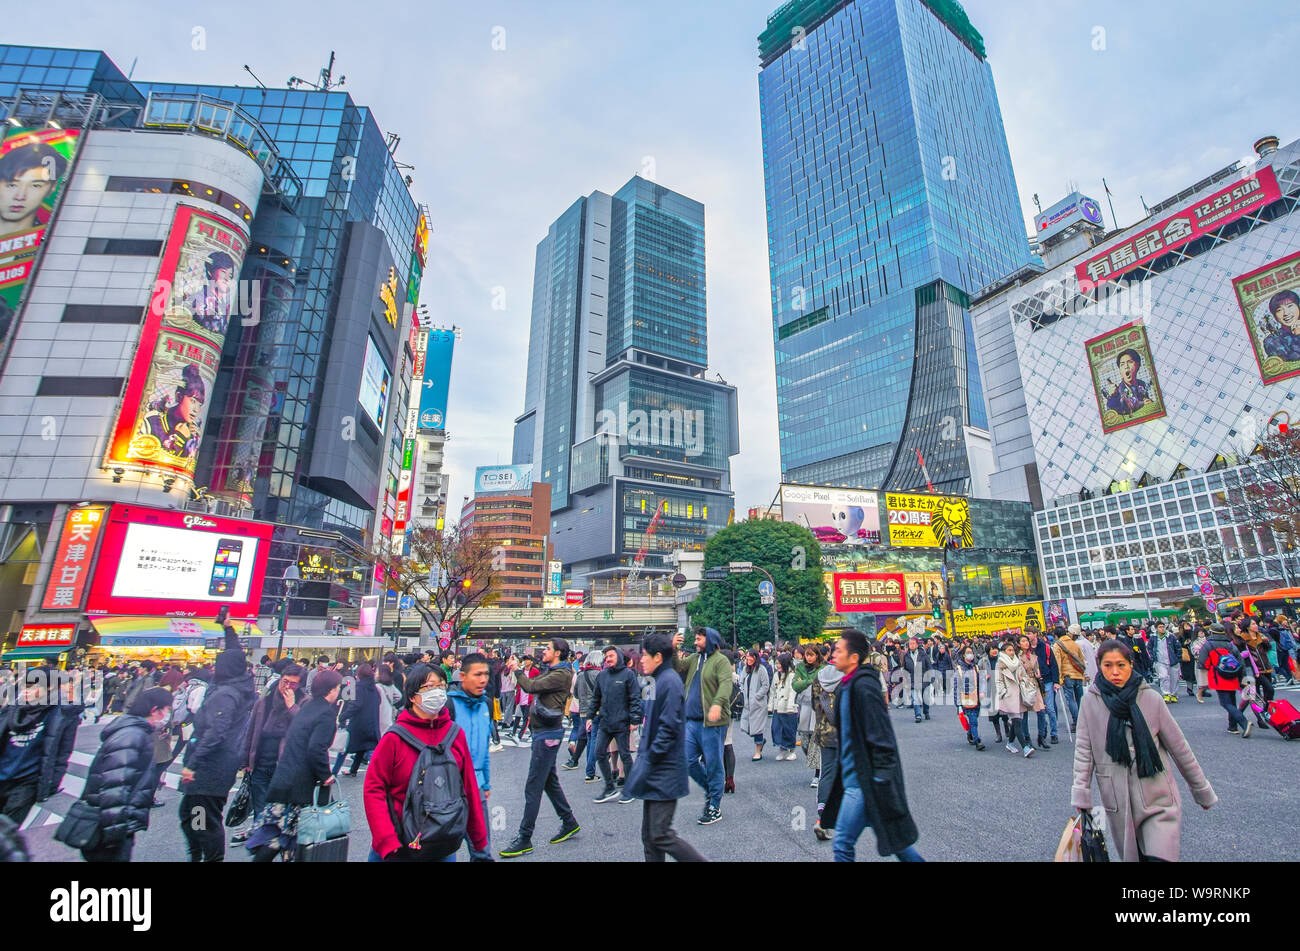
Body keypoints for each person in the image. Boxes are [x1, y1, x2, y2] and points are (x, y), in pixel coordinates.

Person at [1071, 640, 1217, 862]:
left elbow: (1180, 749)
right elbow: (1084, 751)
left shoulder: (1150, 697)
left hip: (1158, 797)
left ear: (1131, 664)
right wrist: (1081, 792)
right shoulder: (1090, 701)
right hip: (1117, 799)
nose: (1115, 672)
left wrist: (1201, 790)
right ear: (1098, 666)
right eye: (1108, 665)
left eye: (1121, 665)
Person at [364, 664, 488, 862]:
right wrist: (386, 839)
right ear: (412, 696)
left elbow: (469, 787)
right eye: (430, 687)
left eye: (441, 686)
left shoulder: (455, 734)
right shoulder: (394, 738)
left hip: (442, 841)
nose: (437, 693)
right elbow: (374, 788)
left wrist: (479, 838)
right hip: (398, 844)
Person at [819, 631, 923, 863]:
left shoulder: (864, 687)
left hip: (865, 780)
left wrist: (882, 777)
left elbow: (882, 735)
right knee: (898, 845)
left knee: (843, 844)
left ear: (853, 657)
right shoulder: (846, 685)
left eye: (839, 650)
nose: (833, 654)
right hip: (856, 777)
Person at [626, 631, 706, 862]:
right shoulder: (658, 679)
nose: (641, 660)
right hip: (656, 768)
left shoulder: (669, 681)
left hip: (665, 769)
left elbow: (669, 728)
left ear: (658, 657)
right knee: (650, 837)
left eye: (645, 655)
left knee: (660, 834)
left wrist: (649, 759)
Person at [245, 670, 341, 862]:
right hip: (300, 784)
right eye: (338, 687)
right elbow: (316, 748)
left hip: (284, 777)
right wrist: (326, 775)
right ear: (331, 690)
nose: (339, 691)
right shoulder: (325, 714)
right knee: (291, 835)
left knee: (277, 834)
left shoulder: (307, 707)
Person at [177, 630, 256, 862]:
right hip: (217, 764)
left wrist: (192, 764)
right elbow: (237, 657)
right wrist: (229, 629)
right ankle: (199, 855)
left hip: (210, 767)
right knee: (191, 815)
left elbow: (215, 733)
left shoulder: (227, 694)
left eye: (217, 664)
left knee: (200, 817)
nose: (213, 668)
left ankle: (209, 858)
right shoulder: (239, 685)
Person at [499, 639, 580, 858]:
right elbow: (533, 682)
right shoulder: (553, 669)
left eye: (547, 649)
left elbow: (531, 686)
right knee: (549, 782)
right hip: (543, 733)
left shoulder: (561, 674)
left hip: (547, 735)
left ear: (558, 653)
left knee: (533, 785)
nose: (544, 651)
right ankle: (569, 822)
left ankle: (525, 838)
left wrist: (517, 671)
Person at [75, 687, 174, 862]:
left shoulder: (135, 730)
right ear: (155, 710)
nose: (168, 715)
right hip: (110, 824)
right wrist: (115, 830)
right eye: (167, 709)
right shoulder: (132, 735)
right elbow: (115, 782)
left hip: (113, 821)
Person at [232, 664, 304, 844]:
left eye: (293, 684)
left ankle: (272, 845)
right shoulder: (265, 700)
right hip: (260, 763)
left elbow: (302, 730)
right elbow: (251, 731)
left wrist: (291, 706)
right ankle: (260, 844)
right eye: (285, 682)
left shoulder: (303, 702)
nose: (287, 687)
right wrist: (246, 760)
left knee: (279, 812)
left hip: (283, 767)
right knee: (260, 810)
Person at [671, 627, 732, 825]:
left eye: (699, 639)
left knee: (713, 763)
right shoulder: (695, 659)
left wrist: (716, 704)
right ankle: (712, 789)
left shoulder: (720, 660)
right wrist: (672, 648)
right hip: (692, 721)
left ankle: (715, 805)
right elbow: (677, 667)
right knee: (687, 760)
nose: (695, 643)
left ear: (710, 639)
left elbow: (725, 684)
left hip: (713, 722)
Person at [449, 653, 493, 860]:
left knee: (482, 850)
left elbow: (484, 750)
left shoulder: (485, 706)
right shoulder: (448, 707)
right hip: (449, 790)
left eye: (486, 674)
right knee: (440, 849)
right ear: (463, 676)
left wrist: (486, 784)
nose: (483, 679)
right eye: (477, 674)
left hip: (476, 789)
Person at [587, 646, 643, 804]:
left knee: (625, 755)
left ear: (618, 656)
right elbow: (596, 697)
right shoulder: (602, 675)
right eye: (606, 656)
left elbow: (635, 698)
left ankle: (629, 789)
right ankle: (609, 787)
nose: (608, 659)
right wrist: (590, 716)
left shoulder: (628, 674)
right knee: (599, 753)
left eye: (611, 655)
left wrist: (634, 720)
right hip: (605, 722)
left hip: (622, 722)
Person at [0, 672, 57, 824]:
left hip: (26, 781)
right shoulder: (12, 708)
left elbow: (61, 753)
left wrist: (49, 785)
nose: (26, 690)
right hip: (3, 773)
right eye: (25, 686)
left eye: (32, 687)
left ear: (49, 688)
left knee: (7, 829)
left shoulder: (57, 713)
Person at [0, 139, 70, 240]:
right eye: (12, 185)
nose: (20, 196)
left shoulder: (51, 240)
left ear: (52, 187)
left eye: (35, 186)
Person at [1197, 623, 1252, 737]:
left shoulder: (1208, 645)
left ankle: (1244, 722)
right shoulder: (1230, 645)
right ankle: (1232, 727)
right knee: (1232, 701)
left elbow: (1203, 663)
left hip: (1218, 677)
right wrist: (1242, 679)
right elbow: (1240, 661)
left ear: (1211, 632)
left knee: (1225, 703)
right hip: (1233, 676)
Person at [334, 663, 381, 777]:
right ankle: (353, 769)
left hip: (358, 723)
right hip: (371, 723)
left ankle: (334, 771)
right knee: (363, 747)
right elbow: (378, 702)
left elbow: (355, 705)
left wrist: (341, 717)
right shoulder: (374, 688)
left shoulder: (359, 687)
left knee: (344, 747)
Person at [996, 640, 1033, 757]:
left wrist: (1023, 679)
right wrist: (1003, 692)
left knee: (1017, 721)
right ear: (1003, 652)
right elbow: (998, 681)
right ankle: (1025, 747)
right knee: (1017, 721)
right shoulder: (1000, 664)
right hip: (1009, 696)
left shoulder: (1017, 662)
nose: (1011, 652)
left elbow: (1024, 675)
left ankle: (1010, 743)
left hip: (1019, 693)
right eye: (1009, 650)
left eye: (1012, 650)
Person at [564, 655, 601, 772]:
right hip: (596, 711)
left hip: (582, 710)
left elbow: (575, 694)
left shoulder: (580, 675)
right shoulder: (599, 675)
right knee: (593, 738)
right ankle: (590, 770)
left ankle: (575, 761)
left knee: (584, 736)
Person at [1019, 634, 1051, 750]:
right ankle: (1026, 738)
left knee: (1041, 711)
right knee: (1024, 714)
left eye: (1027, 641)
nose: (1026, 643)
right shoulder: (1018, 657)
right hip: (1024, 685)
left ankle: (1041, 736)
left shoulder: (1033, 655)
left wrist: (1038, 674)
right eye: (1023, 641)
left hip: (1035, 684)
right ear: (1019, 644)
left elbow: (1037, 668)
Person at [738, 649, 770, 761]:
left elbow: (766, 686)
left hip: (758, 705)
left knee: (757, 729)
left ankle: (758, 752)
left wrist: (756, 696)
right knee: (748, 728)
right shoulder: (745, 669)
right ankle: (761, 742)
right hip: (748, 704)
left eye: (751, 657)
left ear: (756, 657)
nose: (748, 659)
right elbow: (741, 681)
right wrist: (742, 691)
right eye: (747, 657)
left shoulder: (761, 669)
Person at [767, 652, 799, 761]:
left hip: (789, 708)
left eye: (780, 663)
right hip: (778, 707)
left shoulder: (792, 675)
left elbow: (792, 692)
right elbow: (772, 691)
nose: (778, 665)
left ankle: (792, 750)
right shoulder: (777, 675)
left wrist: (790, 707)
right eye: (777, 663)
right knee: (777, 729)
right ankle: (782, 750)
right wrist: (770, 706)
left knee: (789, 730)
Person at [1105, 348, 1155, 417]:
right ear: (1119, 370)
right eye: (1122, 364)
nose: (1126, 366)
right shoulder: (1117, 392)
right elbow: (1116, 410)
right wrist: (1111, 397)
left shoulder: (1141, 384)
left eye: (1130, 362)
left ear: (1138, 365)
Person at [1029, 630, 1060, 743]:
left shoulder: (1045, 647)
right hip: (1034, 683)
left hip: (1047, 680)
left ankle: (1054, 733)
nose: (1028, 636)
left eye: (1029, 633)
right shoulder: (1027, 650)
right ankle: (1043, 730)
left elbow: (1053, 664)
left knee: (1050, 708)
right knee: (1040, 709)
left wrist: (1056, 681)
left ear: (1035, 634)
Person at [956, 645, 985, 751]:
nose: (970, 654)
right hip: (966, 698)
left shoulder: (976, 667)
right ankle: (978, 741)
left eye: (971, 652)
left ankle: (970, 733)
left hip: (977, 697)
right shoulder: (959, 669)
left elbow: (981, 681)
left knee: (975, 717)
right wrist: (958, 704)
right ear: (963, 655)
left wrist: (982, 692)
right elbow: (956, 687)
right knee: (973, 720)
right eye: (968, 652)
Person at [901, 636, 931, 722]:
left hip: (924, 679)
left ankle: (926, 711)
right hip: (912, 680)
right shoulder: (906, 655)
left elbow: (929, 667)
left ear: (917, 645)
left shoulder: (923, 654)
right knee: (915, 698)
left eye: (913, 643)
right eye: (910, 644)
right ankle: (918, 715)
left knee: (925, 698)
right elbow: (905, 668)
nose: (912, 645)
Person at [376, 663, 403, 734]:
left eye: (376, 671)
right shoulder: (391, 685)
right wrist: (391, 702)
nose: (375, 673)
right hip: (389, 715)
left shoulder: (377, 687)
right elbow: (399, 696)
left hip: (379, 713)